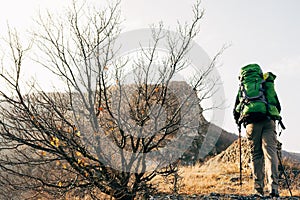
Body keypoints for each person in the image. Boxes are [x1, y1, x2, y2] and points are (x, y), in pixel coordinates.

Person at [233, 64, 281, 197]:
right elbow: (276, 103)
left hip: (252, 123)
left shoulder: (243, 86)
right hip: (268, 121)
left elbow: (237, 108)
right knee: (271, 153)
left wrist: (239, 121)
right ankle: (274, 188)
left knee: (256, 155)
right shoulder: (265, 83)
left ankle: (258, 189)